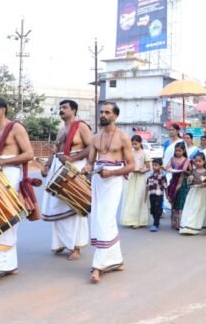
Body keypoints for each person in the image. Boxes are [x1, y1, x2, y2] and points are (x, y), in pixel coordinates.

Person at [0, 97, 34, 289]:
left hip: (11, 175)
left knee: (5, 221)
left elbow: (29, 154)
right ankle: (8, 265)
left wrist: (1, 162)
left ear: (3, 110)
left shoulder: (16, 128)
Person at [81, 102, 135, 283]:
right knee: (100, 219)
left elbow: (132, 165)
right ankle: (116, 260)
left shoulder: (123, 137)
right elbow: (90, 162)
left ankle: (98, 266)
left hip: (114, 181)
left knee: (105, 218)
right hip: (98, 181)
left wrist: (111, 172)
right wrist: (87, 168)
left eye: (107, 112)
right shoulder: (95, 138)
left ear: (115, 116)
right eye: (101, 112)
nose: (103, 115)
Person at [41, 100, 92, 260]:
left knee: (75, 206)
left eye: (64, 108)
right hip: (59, 167)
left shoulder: (82, 126)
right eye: (60, 108)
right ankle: (61, 243)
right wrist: (47, 165)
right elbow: (57, 150)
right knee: (59, 206)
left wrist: (72, 158)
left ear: (74, 110)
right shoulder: (62, 129)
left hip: (75, 167)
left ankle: (76, 247)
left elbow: (91, 147)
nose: (61, 110)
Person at [119, 135, 151, 228]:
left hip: (140, 177)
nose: (134, 146)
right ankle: (130, 220)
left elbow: (148, 167)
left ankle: (138, 221)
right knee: (130, 198)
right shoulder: (130, 153)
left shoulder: (145, 153)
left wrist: (142, 170)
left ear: (140, 143)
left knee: (139, 198)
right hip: (131, 177)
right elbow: (125, 164)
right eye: (132, 144)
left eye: (136, 144)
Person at [179, 153, 206, 235]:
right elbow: (189, 183)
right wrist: (190, 179)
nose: (197, 163)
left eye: (200, 161)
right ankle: (189, 226)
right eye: (196, 161)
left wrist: (204, 184)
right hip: (194, 193)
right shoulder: (193, 171)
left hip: (203, 192)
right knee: (193, 209)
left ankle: (201, 226)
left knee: (202, 209)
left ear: (204, 161)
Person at [165, 142, 191, 230]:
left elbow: (190, 172)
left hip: (183, 184)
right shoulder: (172, 159)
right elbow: (167, 167)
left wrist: (185, 172)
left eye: (179, 151)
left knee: (181, 202)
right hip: (174, 182)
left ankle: (181, 222)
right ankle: (174, 223)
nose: (177, 152)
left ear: (183, 151)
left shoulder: (187, 160)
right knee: (174, 202)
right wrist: (170, 169)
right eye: (176, 151)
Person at [146, 158, 168, 232]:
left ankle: (155, 223)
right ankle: (156, 221)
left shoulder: (162, 175)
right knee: (152, 209)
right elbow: (147, 186)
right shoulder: (150, 175)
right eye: (153, 165)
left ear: (160, 166)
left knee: (157, 208)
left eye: (156, 165)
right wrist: (145, 196)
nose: (154, 167)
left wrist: (167, 195)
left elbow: (165, 186)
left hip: (159, 195)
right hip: (151, 194)